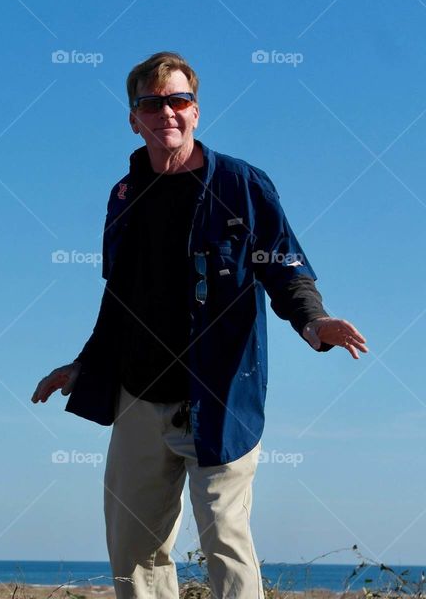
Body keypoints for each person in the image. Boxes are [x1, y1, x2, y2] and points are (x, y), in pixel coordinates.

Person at [31, 52, 368, 599]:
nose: (167, 111)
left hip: (219, 395)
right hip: (139, 397)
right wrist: (83, 365)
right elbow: (119, 300)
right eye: (152, 102)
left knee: (225, 545)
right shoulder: (123, 197)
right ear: (133, 117)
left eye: (178, 100)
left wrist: (315, 321)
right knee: (133, 552)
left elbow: (284, 268)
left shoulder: (241, 184)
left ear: (196, 111)